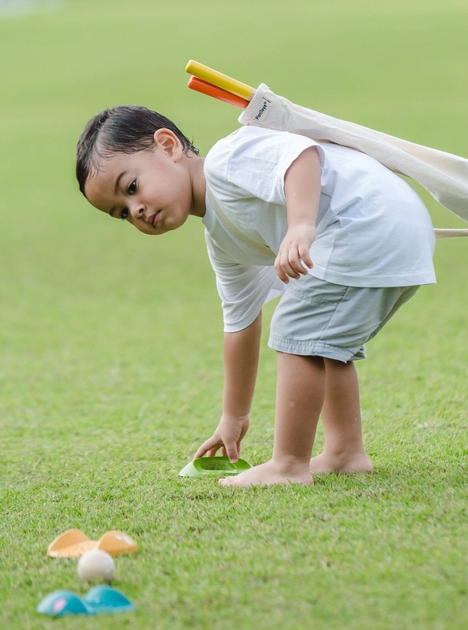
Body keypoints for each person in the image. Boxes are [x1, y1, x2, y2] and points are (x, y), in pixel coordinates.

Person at [75, 106, 436, 487]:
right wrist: (233, 418)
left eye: (131, 188)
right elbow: (240, 325)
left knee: (298, 328)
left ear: (167, 147)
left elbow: (301, 156)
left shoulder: (227, 161)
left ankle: (288, 466)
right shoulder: (222, 239)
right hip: (391, 227)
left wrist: (300, 225)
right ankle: (345, 452)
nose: (136, 210)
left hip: (367, 222)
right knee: (322, 340)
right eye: (122, 213)